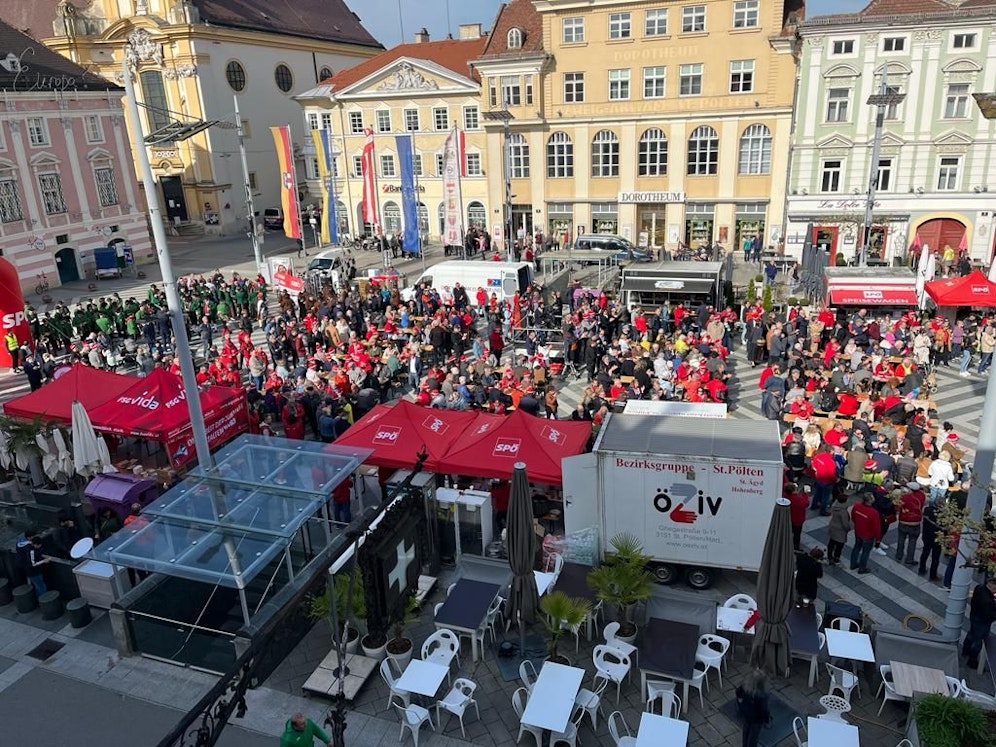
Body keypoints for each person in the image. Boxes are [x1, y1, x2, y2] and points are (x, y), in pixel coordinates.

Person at [963, 578, 996, 669]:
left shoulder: (979, 588)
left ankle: (965, 650)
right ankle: (972, 660)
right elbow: (989, 614)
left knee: (971, 633)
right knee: (978, 641)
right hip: (982, 621)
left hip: (974, 616)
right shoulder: (987, 601)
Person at [735, 669, 771, 747]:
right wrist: (766, 719)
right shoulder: (762, 695)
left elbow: (738, 692)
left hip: (746, 714)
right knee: (753, 736)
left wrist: (740, 703)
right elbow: (764, 710)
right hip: (757, 719)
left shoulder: (745, 686)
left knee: (746, 730)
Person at [850, 492, 881, 574]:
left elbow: (853, 517)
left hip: (858, 532)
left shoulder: (856, 506)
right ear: (870, 500)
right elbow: (876, 527)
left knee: (856, 547)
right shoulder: (874, 513)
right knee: (865, 552)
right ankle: (862, 568)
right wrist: (878, 539)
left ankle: (853, 564)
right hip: (868, 536)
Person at [826, 494, 852, 566]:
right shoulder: (843, 511)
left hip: (833, 526)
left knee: (831, 543)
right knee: (839, 546)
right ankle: (836, 558)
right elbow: (845, 524)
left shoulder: (835, 506)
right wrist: (848, 529)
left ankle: (829, 557)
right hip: (840, 531)